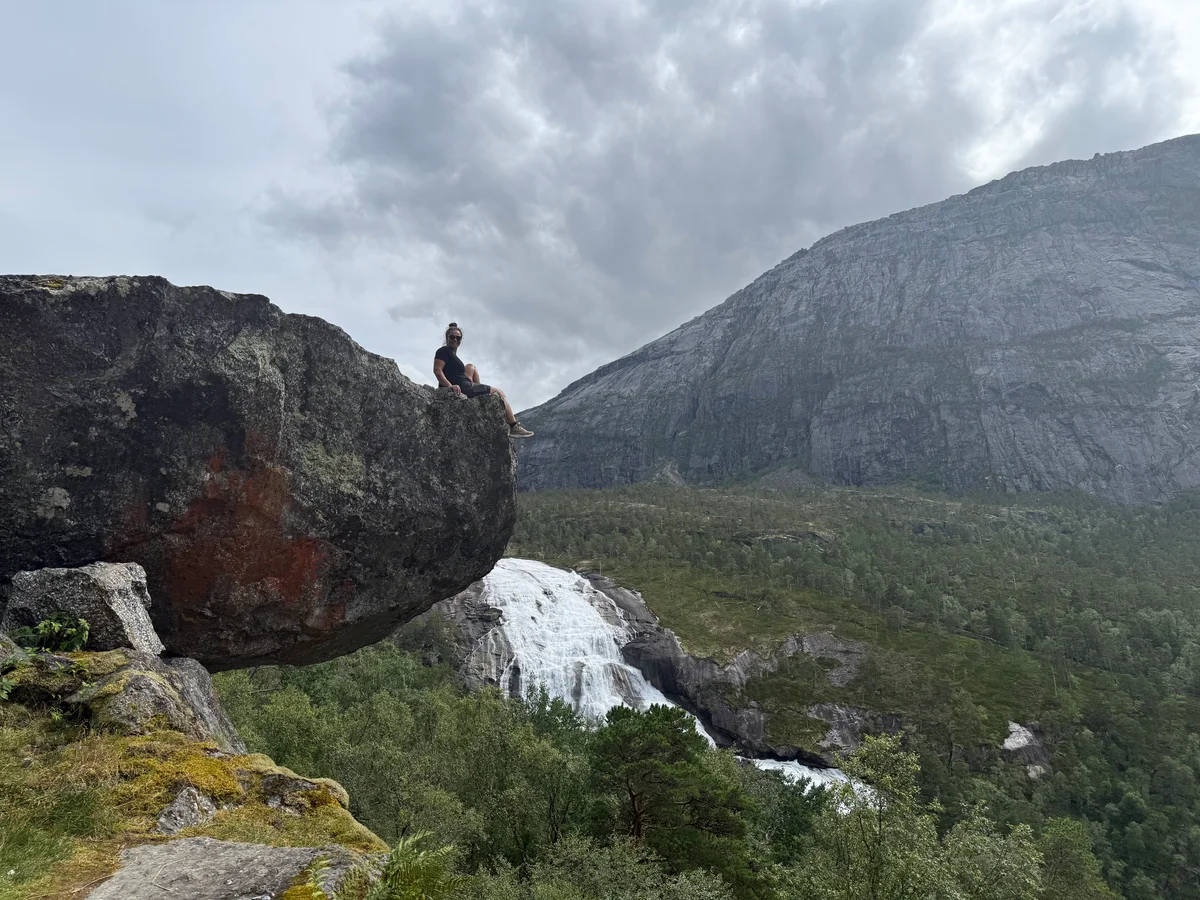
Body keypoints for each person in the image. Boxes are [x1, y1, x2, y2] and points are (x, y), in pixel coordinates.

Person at [434, 323, 534, 438]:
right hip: (464, 387)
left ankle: (479, 394)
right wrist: (450, 386)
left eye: (458, 338)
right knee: (499, 392)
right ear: (447, 338)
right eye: (452, 337)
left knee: (471, 367)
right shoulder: (443, 351)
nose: (455, 340)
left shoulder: (452, 354)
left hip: (464, 384)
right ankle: (514, 426)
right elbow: (437, 370)